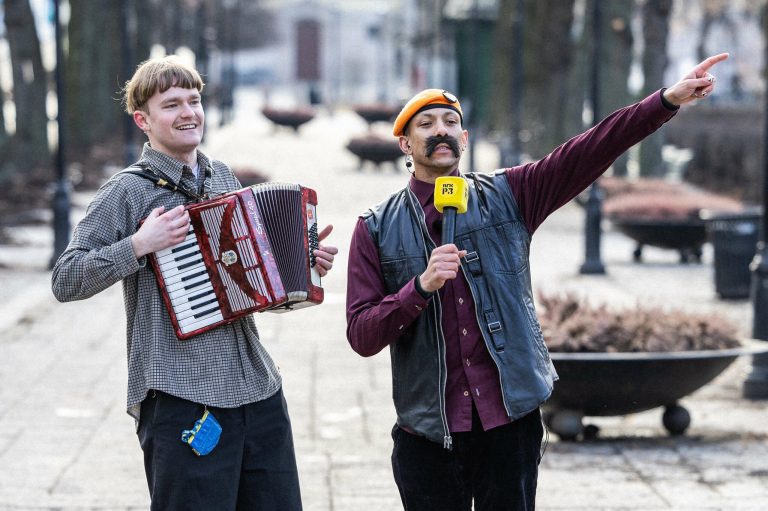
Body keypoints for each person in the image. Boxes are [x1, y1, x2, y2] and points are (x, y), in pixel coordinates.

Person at [346, 53, 728, 510]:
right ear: (406, 145)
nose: (440, 130)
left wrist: (665, 101)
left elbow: (591, 148)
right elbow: (362, 335)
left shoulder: (513, 195)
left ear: (465, 138)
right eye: (425, 124)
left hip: (509, 423)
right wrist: (419, 288)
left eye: (450, 121)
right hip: (429, 431)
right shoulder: (374, 227)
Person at [52, 55, 338, 510]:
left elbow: (245, 282)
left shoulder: (220, 176)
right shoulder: (127, 192)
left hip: (257, 387)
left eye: (194, 100)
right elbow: (66, 279)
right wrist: (139, 244)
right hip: (181, 393)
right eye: (171, 104)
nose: (188, 112)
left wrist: (299, 267)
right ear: (142, 120)